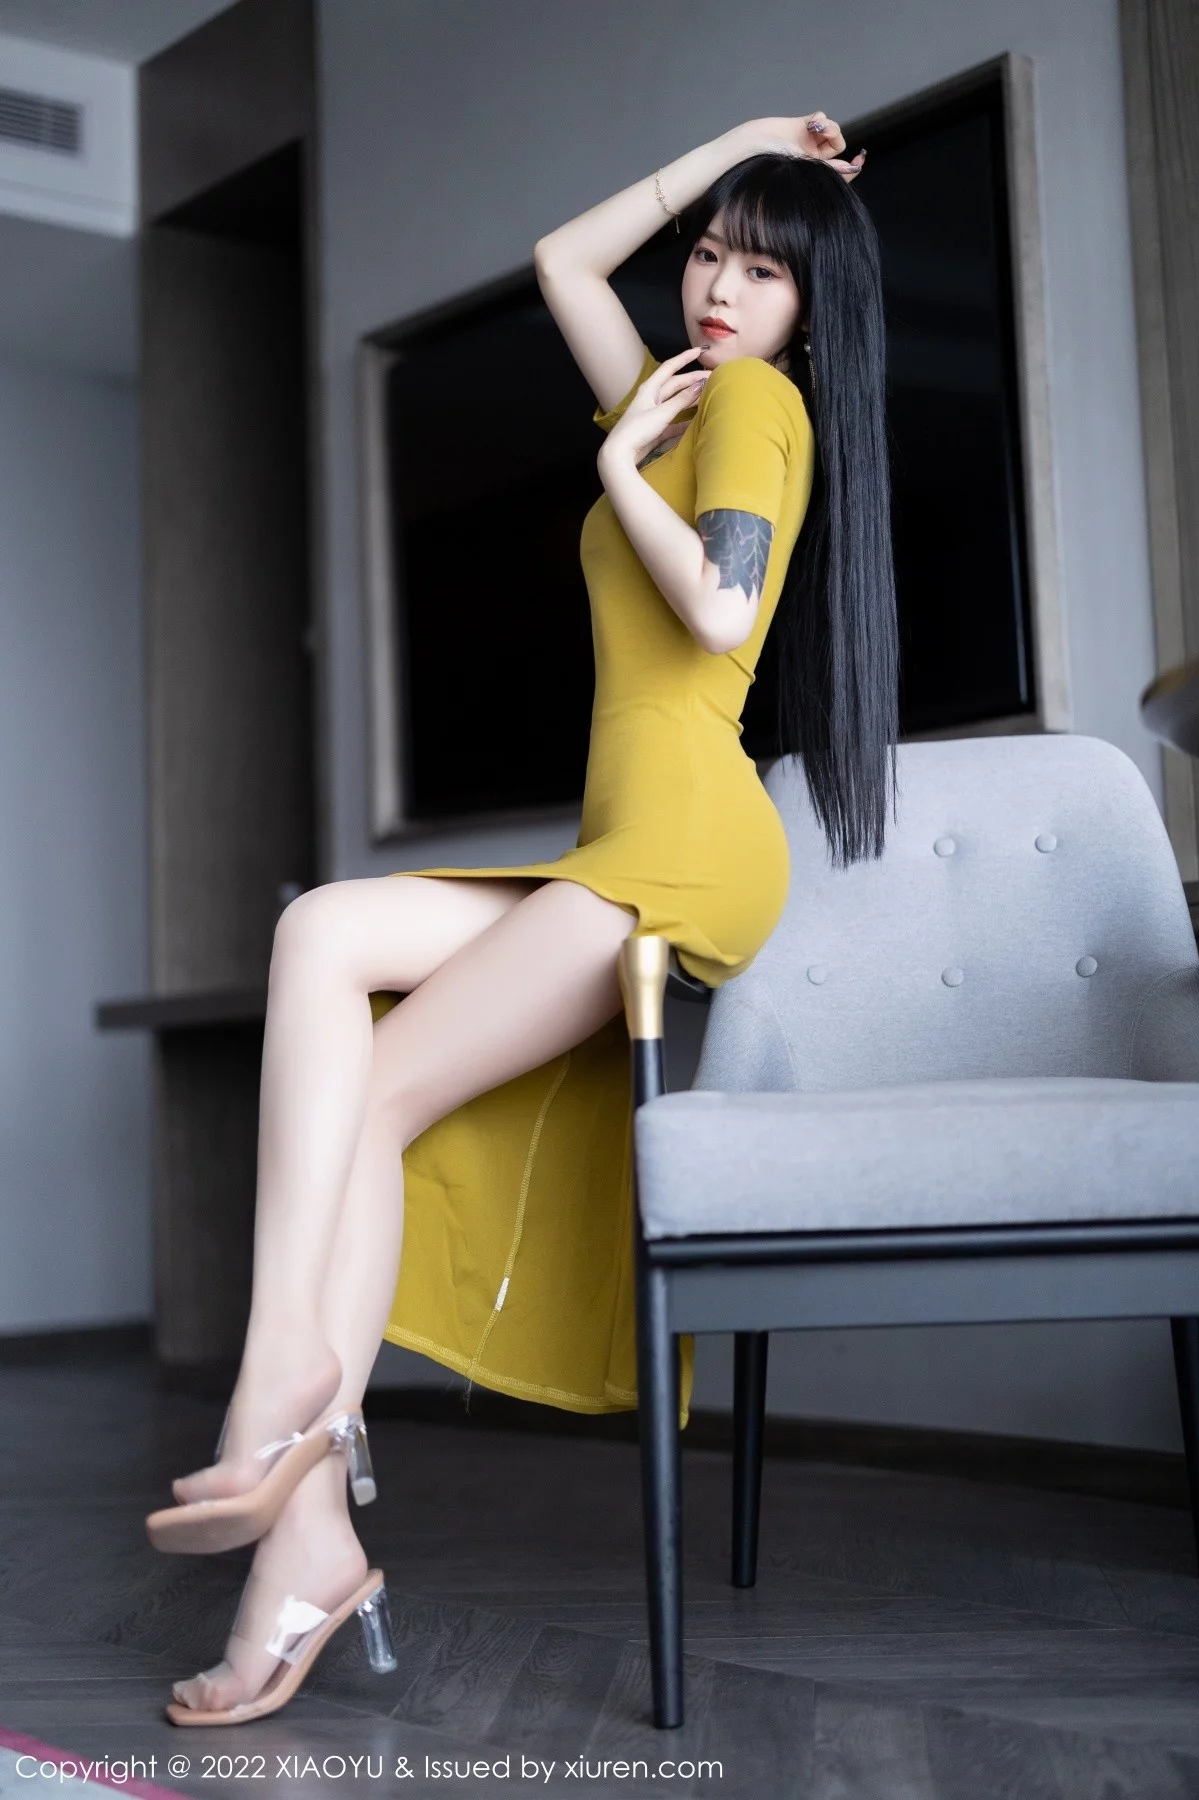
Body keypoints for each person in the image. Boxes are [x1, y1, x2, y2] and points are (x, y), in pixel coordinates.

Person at [151, 106, 898, 1725]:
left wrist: (619, 471)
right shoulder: (674, 394)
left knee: (381, 1091)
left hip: (687, 848)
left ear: (809, 308)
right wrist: (747, 141)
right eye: (710, 254)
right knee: (321, 935)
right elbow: (563, 260)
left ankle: (283, 1423)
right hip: (618, 838)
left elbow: (720, 609)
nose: (718, 287)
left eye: (762, 273)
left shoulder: (754, 404)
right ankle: (309, 1520)